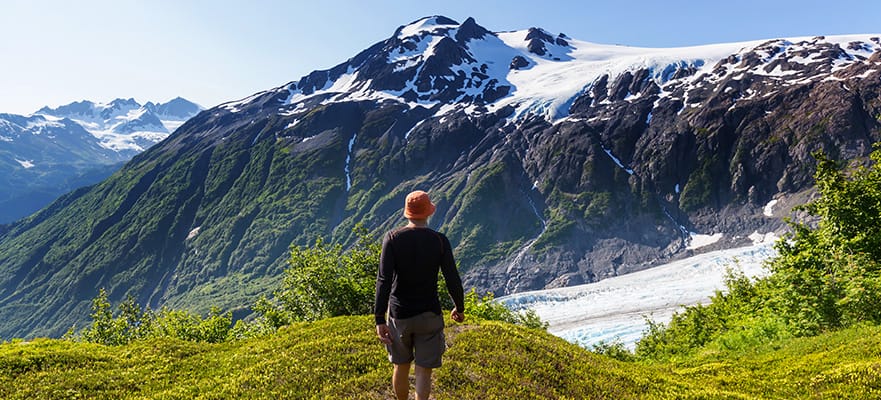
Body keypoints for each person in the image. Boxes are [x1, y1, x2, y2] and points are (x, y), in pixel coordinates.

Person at [374, 190, 465, 400]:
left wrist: (379, 319)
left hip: (399, 314)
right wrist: (459, 307)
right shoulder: (440, 241)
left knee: (400, 366)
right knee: (424, 371)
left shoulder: (392, 238)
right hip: (429, 314)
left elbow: (383, 280)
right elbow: (452, 278)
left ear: (407, 212)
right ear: (429, 212)